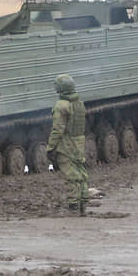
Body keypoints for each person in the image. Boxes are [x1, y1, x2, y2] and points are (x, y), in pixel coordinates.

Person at [46, 74, 89, 216]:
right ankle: (83, 205)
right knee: (81, 173)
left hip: (66, 144)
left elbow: (57, 129)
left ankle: (73, 207)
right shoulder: (78, 103)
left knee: (70, 175)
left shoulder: (61, 105)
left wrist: (50, 147)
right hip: (78, 142)